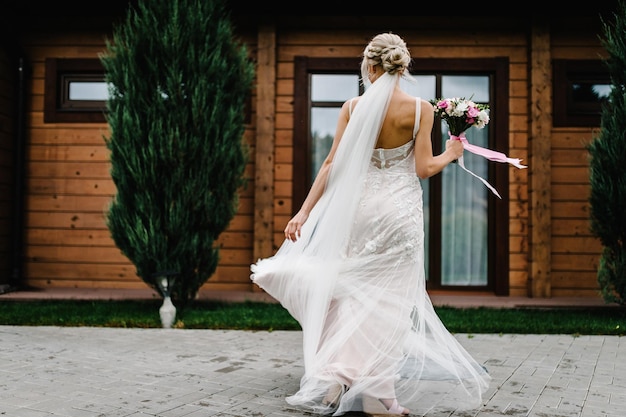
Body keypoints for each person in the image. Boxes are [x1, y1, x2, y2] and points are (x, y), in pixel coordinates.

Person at [250, 32, 491, 416]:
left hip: (360, 212)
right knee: (389, 303)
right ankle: (379, 395)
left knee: (347, 291)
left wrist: (303, 212)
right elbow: (423, 169)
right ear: (402, 66)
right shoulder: (420, 110)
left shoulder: (351, 107)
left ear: (371, 66)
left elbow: (332, 164)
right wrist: (451, 153)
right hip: (399, 214)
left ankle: (333, 379)